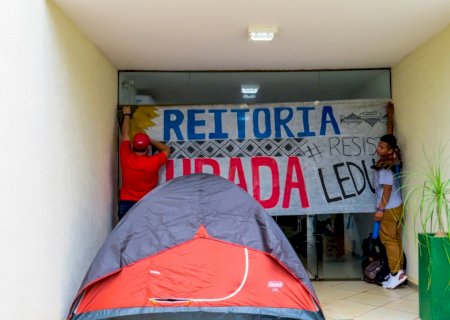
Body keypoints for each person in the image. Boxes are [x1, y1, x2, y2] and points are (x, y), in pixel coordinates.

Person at [118, 106, 171, 220]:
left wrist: (127, 115)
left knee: (126, 235)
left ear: (132, 146)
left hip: (126, 203)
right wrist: (150, 140)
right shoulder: (154, 161)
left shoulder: (125, 156)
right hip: (146, 203)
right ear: (148, 148)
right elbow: (167, 149)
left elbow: (125, 134)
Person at [371, 134, 407, 289]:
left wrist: (380, 209)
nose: (378, 148)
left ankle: (394, 273)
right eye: (379, 145)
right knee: (396, 239)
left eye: (382, 147)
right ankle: (398, 272)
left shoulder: (386, 165)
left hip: (388, 208)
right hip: (397, 205)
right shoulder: (394, 161)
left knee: (389, 240)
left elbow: (387, 188)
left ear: (390, 150)